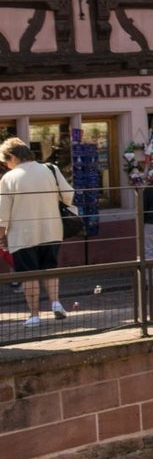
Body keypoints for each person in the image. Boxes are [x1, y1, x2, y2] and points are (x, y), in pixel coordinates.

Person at [0, 136, 74, 325]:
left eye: (5, 161)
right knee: (49, 267)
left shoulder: (9, 178)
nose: (6, 165)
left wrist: (1, 236)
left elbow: (3, 214)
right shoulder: (51, 169)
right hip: (52, 228)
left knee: (29, 274)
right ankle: (56, 303)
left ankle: (34, 315)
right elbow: (67, 196)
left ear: (12, 157)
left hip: (23, 234)